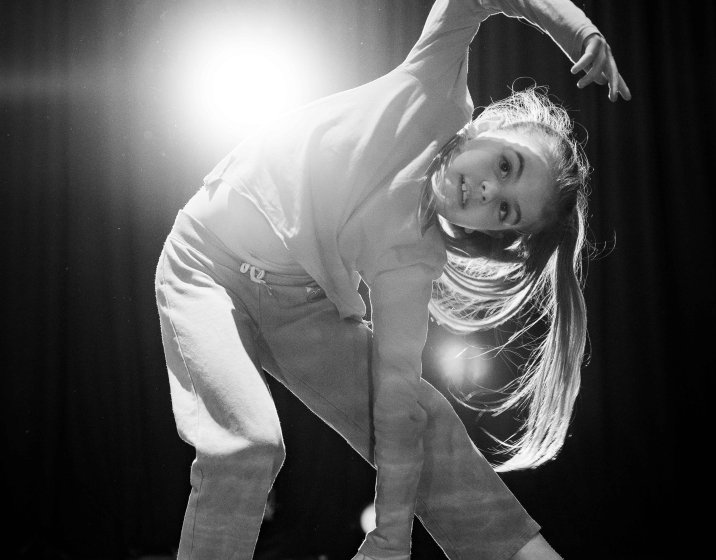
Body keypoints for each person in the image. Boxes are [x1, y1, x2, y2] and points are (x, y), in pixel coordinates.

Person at [154, 0, 630, 559]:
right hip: (205, 267)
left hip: (297, 307)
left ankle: (521, 554)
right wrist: (576, 29)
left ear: (492, 234)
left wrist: (390, 540)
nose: (485, 192)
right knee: (248, 445)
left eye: (504, 212)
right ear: (489, 132)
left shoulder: (414, 258)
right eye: (504, 166)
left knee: (422, 416)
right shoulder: (429, 91)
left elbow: (394, 406)